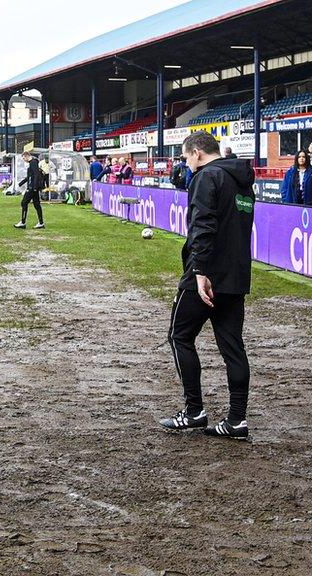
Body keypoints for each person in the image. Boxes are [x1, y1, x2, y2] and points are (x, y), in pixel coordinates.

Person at [159, 130, 256, 440]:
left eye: (187, 158)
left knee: (179, 335)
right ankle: (237, 420)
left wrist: (200, 271)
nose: (186, 165)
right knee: (233, 347)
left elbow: (204, 224)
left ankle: (193, 411)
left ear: (197, 153)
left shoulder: (206, 176)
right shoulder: (242, 178)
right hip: (236, 275)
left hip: (207, 275)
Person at [15, 152, 45, 229]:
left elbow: (36, 175)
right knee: (36, 204)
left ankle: (23, 222)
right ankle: (41, 223)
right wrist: (21, 183)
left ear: (27, 156)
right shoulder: (33, 162)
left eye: (24, 158)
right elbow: (29, 176)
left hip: (32, 188)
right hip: (33, 187)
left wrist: (34, 187)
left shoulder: (33, 162)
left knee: (24, 202)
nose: (24, 160)